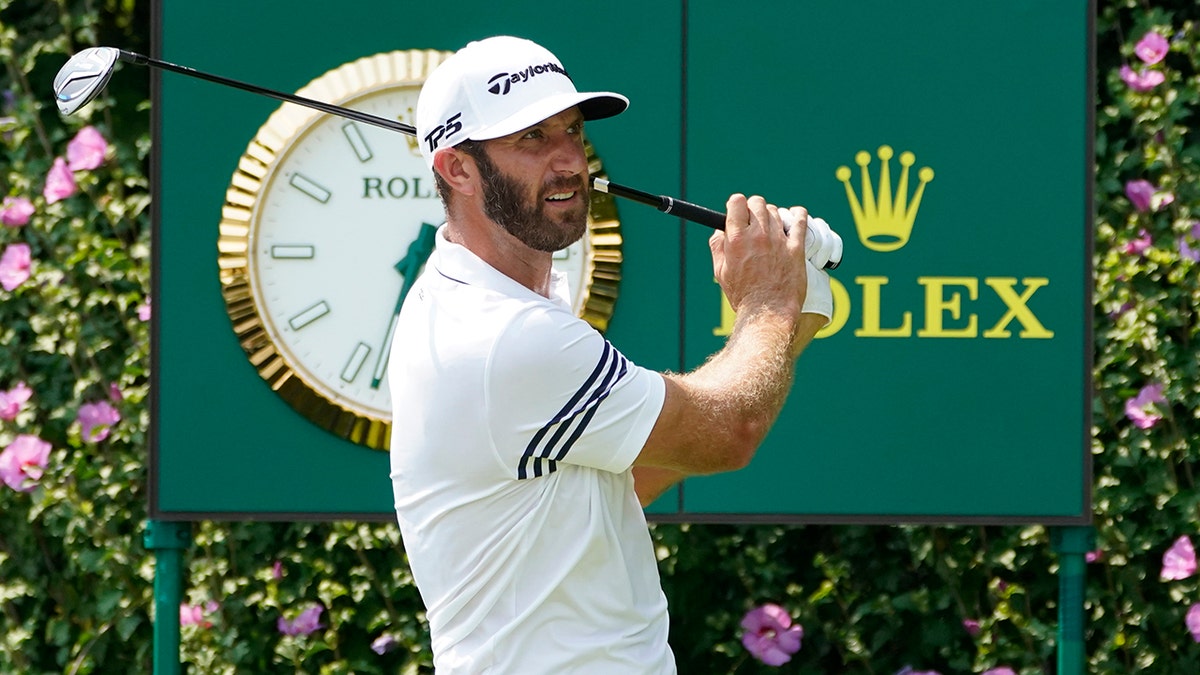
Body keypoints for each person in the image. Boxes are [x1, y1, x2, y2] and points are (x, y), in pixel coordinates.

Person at [388, 35, 837, 674]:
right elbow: (731, 431)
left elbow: (629, 476)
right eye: (532, 138)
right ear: (457, 169)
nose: (570, 160)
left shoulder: (479, 300)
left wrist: (793, 309)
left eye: (572, 131)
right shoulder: (507, 336)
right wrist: (769, 301)